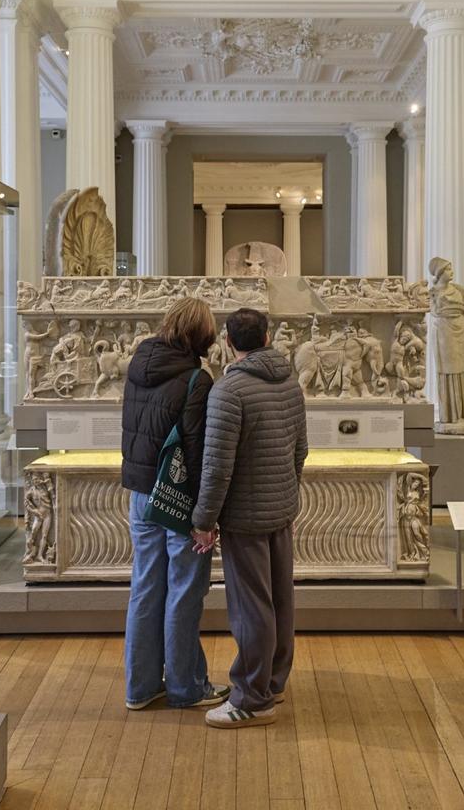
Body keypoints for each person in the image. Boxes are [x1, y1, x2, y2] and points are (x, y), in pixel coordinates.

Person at [192, 307, 308, 729]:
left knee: (250, 607)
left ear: (227, 341)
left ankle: (253, 699)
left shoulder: (229, 391)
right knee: (279, 601)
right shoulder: (290, 384)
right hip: (279, 511)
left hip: (244, 515)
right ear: (267, 336)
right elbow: (300, 451)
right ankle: (273, 681)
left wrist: (205, 519)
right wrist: (289, 499)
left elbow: (217, 466)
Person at [119, 297, 229, 711]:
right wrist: (206, 516)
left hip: (141, 493)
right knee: (184, 591)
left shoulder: (137, 366)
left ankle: (140, 686)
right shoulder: (194, 379)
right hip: (180, 497)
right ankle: (186, 687)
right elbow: (199, 451)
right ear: (198, 334)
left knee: (146, 587)